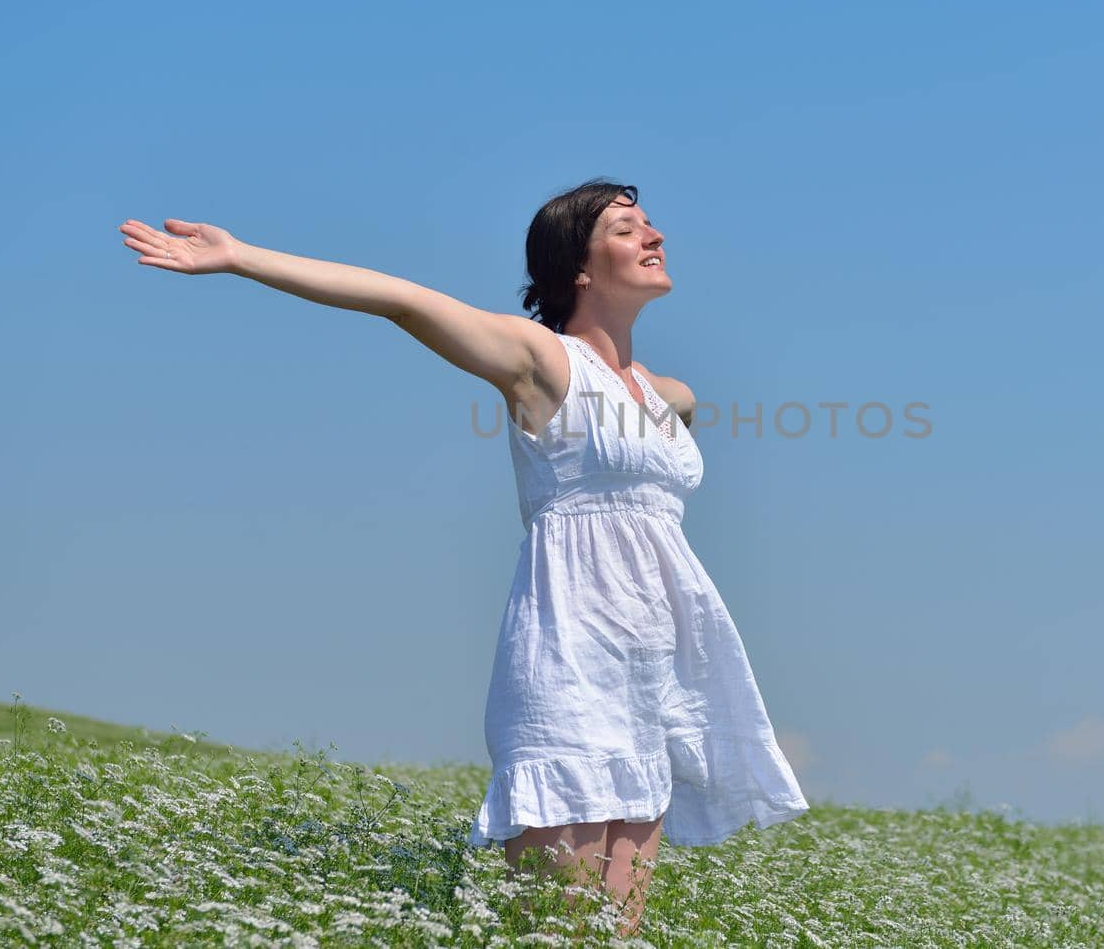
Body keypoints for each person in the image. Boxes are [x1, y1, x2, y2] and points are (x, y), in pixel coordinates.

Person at [116, 178, 810, 937]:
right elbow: (404, 301)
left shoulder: (668, 395)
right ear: (578, 267)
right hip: (572, 661)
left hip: (656, 674)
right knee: (553, 926)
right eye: (625, 228)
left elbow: (659, 472)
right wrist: (240, 256)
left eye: (651, 224)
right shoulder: (540, 361)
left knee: (620, 933)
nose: (654, 236)